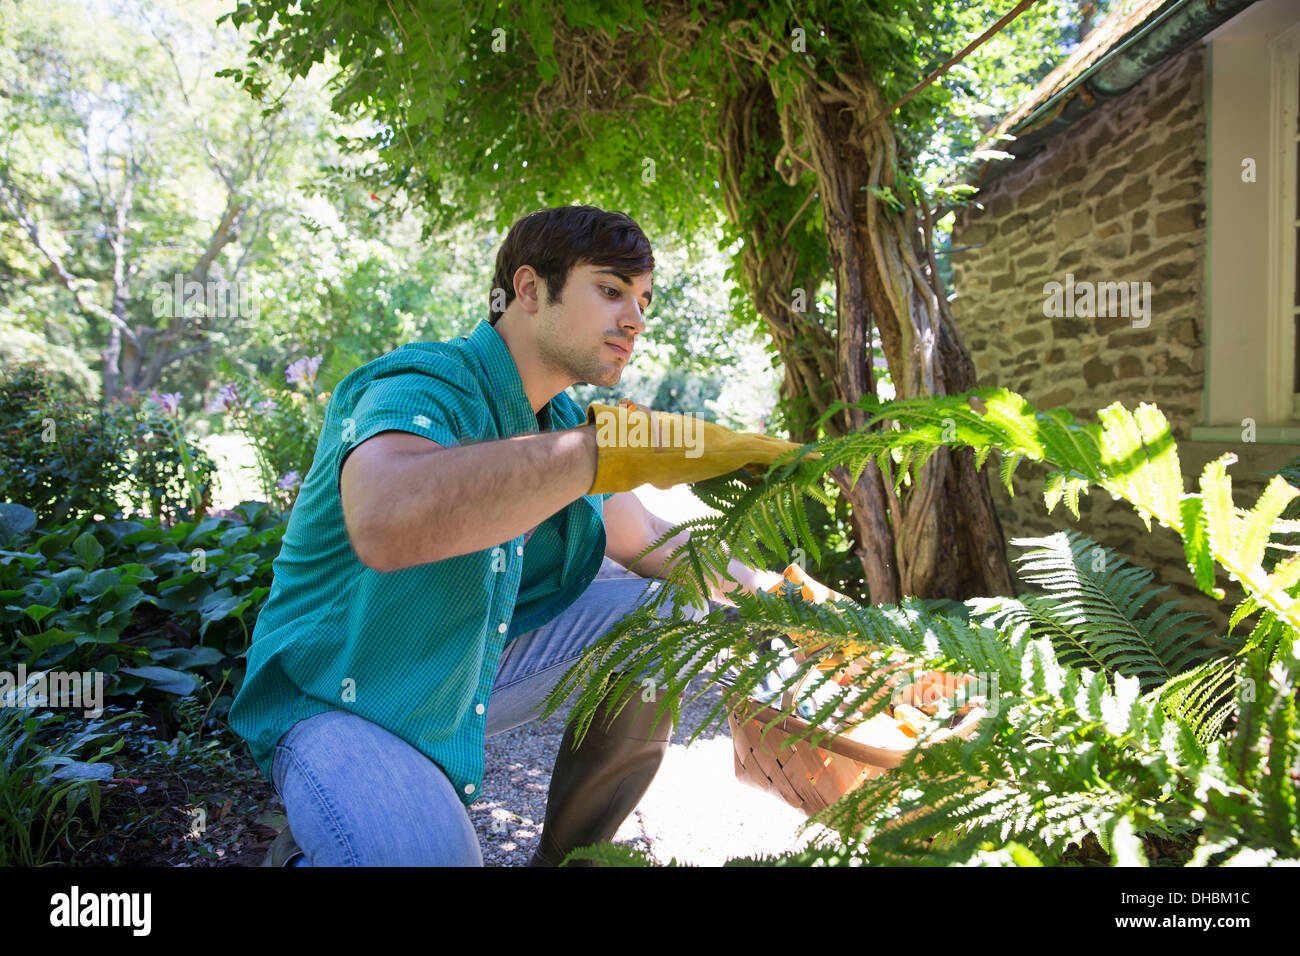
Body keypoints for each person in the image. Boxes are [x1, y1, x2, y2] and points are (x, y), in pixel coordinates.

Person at [232, 204, 817, 866]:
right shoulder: (423, 381)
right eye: (610, 290)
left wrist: (785, 597)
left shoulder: (563, 417)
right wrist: (600, 452)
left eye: (643, 299)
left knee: (668, 611)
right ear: (530, 289)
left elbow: (648, 534)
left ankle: (569, 860)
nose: (635, 319)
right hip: (343, 694)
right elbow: (386, 521)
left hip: (465, 665)